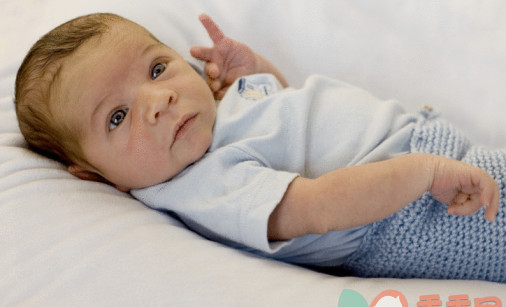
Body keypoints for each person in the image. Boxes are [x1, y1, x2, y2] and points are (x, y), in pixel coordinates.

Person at [15, 13, 505, 282]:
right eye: (117, 117)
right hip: (417, 218)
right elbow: (315, 208)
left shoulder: (213, 114)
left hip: (443, 168)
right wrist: (420, 173)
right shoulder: (202, 186)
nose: (157, 99)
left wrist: (256, 72)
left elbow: (291, 122)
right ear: (96, 175)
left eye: (157, 68)